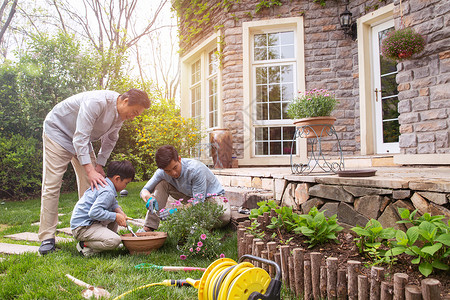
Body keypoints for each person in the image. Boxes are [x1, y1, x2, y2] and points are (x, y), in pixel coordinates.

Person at [39, 89, 150, 255]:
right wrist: (90, 170)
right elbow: (80, 137)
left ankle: (91, 229)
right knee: (52, 183)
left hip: (82, 140)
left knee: (95, 184)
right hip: (59, 132)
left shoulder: (120, 115)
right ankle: (47, 237)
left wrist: (99, 165)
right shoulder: (97, 102)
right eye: (134, 112)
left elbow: (111, 139)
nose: (133, 117)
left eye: (137, 115)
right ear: (125, 101)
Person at [139, 145, 231, 232]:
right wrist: (149, 198)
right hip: (189, 196)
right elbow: (144, 190)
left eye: (175, 167)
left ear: (179, 159)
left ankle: (195, 224)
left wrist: (176, 210)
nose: (173, 173)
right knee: (162, 184)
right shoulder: (161, 172)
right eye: (168, 171)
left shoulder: (195, 169)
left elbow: (198, 202)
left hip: (211, 197)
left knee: (224, 216)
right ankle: (148, 227)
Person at [70, 160, 134, 257]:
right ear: (117, 178)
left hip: (88, 223)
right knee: (115, 240)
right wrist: (116, 216)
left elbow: (112, 203)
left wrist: (119, 212)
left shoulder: (106, 185)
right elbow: (94, 212)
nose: (126, 186)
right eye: (126, 183)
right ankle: (84, 245)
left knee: (115, 213)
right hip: (82, 227)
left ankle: (106, 239)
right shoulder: (107, 191)